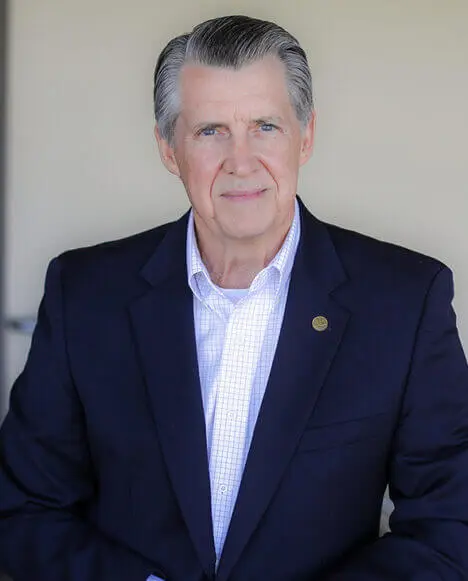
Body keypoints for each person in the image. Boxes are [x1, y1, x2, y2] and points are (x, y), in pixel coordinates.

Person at [0, 14, 468, 581]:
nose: (241, 162)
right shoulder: (84, 294)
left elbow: (449, 530)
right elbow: (24, 510)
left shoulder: (405, 302)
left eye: (265, 126)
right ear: (168, 148)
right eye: (210, 130)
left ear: (306, 136)